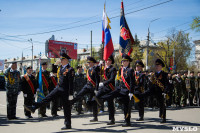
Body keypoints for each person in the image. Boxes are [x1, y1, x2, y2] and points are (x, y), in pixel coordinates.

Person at [24, 53, 75, 130]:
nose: (60, 61)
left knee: (66, 108)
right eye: (60, 59)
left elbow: (71, 83)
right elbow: (54, 72)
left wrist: (71, 94)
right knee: (47, 97)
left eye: (61, 59)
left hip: (65, 90)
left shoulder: (70, 69)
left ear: (65, 60)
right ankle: (34, 107)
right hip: (58, 88)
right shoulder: (60, 68)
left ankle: (68, 124)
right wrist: (55, 64)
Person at [101, 54, 135, 127]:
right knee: (111, 94)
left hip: (126, 90)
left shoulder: (130, 70)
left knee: (126, 106)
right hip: (120, 88)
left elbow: (132, 82)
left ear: (128, 62)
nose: (123, 62)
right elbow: (120, 80)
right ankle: (101, 100)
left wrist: (131, 92)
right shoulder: (121, 69)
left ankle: (127, 121)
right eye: (122, 61)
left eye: (125, 61)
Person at [71, 56, 100, 122]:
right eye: (88, 63)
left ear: (92, 63)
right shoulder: (88, 70)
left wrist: (96, 89)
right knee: (80, 94)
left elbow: (97, 81)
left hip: (92, 88)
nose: (88, 64)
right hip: (87, 86)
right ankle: (71, 102)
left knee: (93, 102)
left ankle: (95, 117)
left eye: (89, 62)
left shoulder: (95, 70)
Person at [91, 55, 116, 125]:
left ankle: (112, 119)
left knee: (110, 104)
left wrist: (104, 83)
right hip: (104, 88)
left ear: (111, 61)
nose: (106, 61)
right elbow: (95, 70)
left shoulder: (113, 69)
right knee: (95, 98)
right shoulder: (103, 68)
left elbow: (111, 79)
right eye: (106, 60)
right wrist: (99, 64)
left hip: (110, 88)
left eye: (108, 60)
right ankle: (99, 106)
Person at [144, 59, 168, 123]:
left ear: (161, 66)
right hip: (153, 90)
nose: (157, 67)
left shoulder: (164, 74)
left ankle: (163, 117)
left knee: (162, 104)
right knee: (144, 96)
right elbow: (150, 84)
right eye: (156, 65)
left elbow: (166, 84)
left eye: (158, 65)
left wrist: (165, 91)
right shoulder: (153, 75)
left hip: (161, 91)